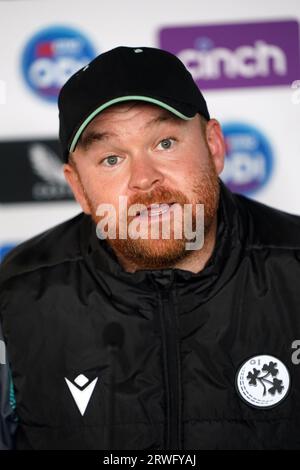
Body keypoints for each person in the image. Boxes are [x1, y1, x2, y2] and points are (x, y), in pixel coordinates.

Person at [1, 46, 300, 451]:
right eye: (111, 159)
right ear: (78, 188)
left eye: (165, 143)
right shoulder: (14, 300)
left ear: (214, 146)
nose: (144, 179)